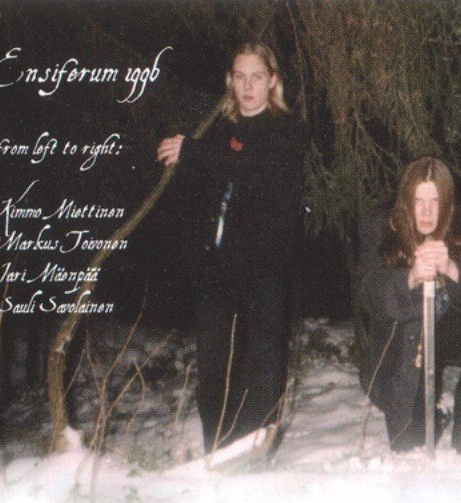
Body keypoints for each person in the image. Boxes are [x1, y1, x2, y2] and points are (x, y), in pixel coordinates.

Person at [156, 42, 307, 452]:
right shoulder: (220, 130)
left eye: (256, 76)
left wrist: (194, 151)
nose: (247, 86)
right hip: (216, 272)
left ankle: (254, 449)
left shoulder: (287, 130)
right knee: (213, 367)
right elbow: (201, 193)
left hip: (263, 270)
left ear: (272, 81)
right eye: (239, 77)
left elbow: (256, 170)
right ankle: (219, 450)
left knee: (261, 363)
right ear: (230, 81)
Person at [357, 157, 461, 454]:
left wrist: (451, 268)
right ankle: (430, 416)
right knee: (409, 448)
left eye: (435, 202)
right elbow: (369, 292)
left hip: (449, 329)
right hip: (405, 342)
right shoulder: (382, 228)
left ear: (447, 203)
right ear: (406, 201)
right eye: (419, 201)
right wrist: (410, 277)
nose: (426, 212)